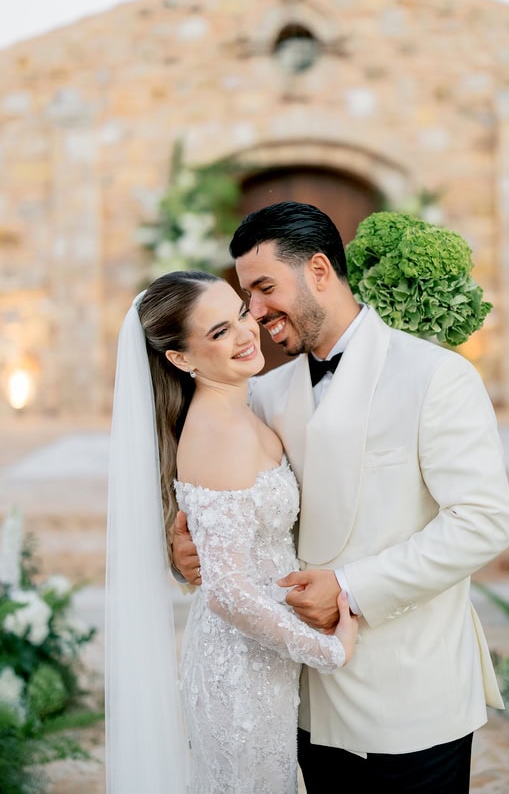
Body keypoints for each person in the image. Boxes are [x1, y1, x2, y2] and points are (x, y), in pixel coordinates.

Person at [172, 201, 509, 793]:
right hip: (304, 695)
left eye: (263, 287)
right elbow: (234, 511)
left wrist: (351, 588)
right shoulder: (264, 392)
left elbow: (481, 523)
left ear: (321, 271)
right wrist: (188, 552)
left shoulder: (435, 376)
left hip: (411, 693)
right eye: (245, 295)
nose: (254, 312)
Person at [105, 269, 358, 794]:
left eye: (242, 313)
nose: (247, 333)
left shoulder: (245, 406)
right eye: (219, 332)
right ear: (181, 358)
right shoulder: (217, 432)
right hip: (239, 672)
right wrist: (326, 650)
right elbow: (226, 593)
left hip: (265, 659)